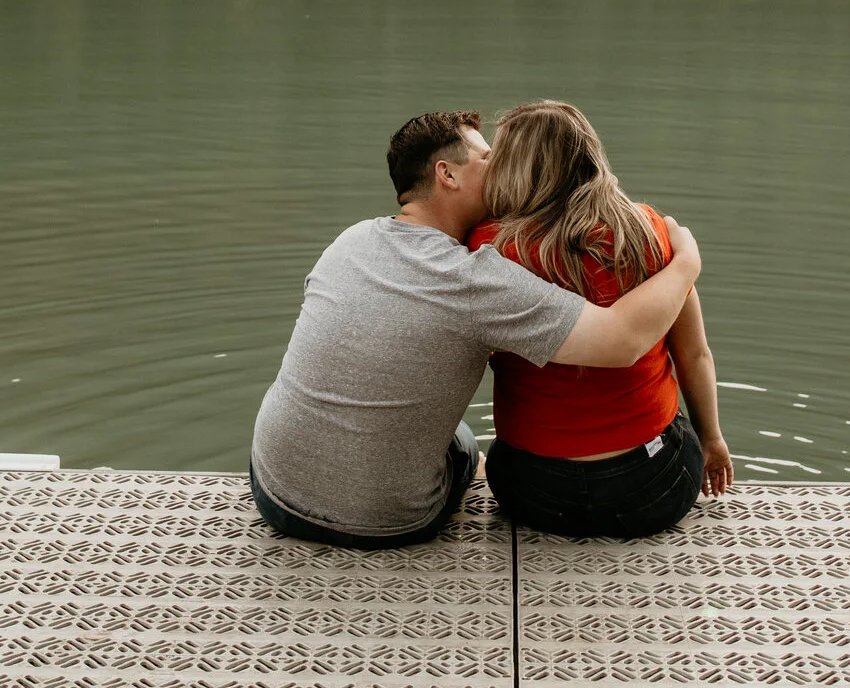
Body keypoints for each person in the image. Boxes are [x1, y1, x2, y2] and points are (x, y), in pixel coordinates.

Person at [249, 109, 704, 548]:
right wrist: (686, 262)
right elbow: (621, 340)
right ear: (447, 175)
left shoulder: (349, 240)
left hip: (273, 490)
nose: (503, 168)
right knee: (462, 442)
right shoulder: (474, 276)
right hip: (390, 522)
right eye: (489, 159)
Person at [470, 100, 733, 537]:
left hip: (532, 492)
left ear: (516, 166)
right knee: (674, 431)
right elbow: (693, 352)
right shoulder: (648, 234)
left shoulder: (488, 247)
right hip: (652, 490)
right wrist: (712, 441)